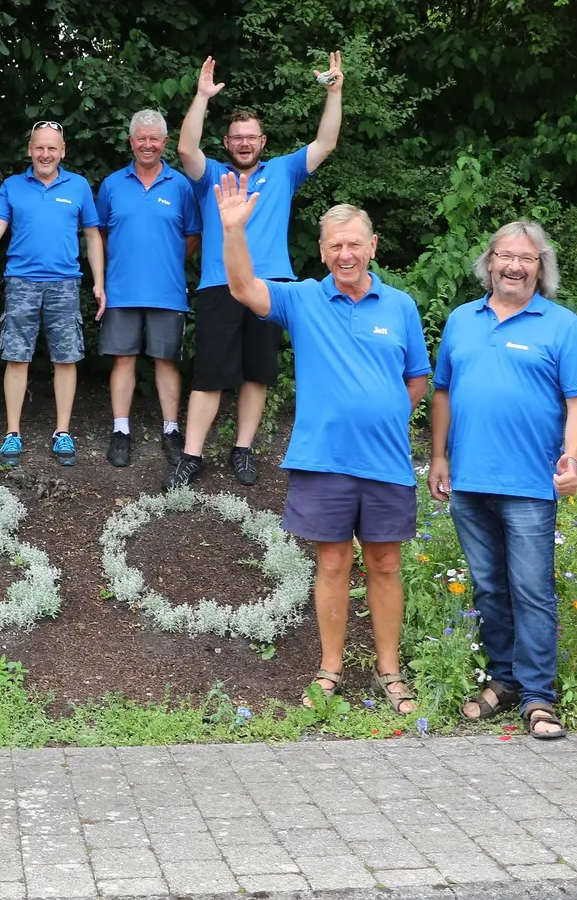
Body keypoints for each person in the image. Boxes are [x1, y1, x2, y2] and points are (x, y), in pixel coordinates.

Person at [213, 175, 429, 715]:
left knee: (384, 563)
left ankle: (389, 671)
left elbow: (417, 379)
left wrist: (383, 415)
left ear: (372, 246)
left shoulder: (400, 306)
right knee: (332, 564)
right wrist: (234, 229)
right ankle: (330, 670)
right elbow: (243, 287)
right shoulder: (304, 299)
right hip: (322, 459)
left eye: (354, 243)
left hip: (386, 462)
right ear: (322, 251)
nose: (345, 253)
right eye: (334, 245)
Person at [429, 222, 577, 740]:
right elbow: (443, 392)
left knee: (531, 589)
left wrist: (571, 458)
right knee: (488, 587)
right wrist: (438, 455)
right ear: (489, 261)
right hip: (470, 481)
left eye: (527, 258)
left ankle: (539, 697)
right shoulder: (461, 320)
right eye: (505, 256)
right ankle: (504, 682)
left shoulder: (562, 325)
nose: (514, 266)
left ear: (540, 268)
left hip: (530, 483)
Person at [165, 52, 346, 490]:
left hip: (271, 288)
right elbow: (187, 148)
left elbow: (325, 144)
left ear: (263, 142)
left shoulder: (284, 171)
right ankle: (191, 456)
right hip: (219, 285)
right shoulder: (210, 176)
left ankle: (242, 449)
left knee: (258, 372)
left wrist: (335, 93)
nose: (244, 143)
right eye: (237, 138)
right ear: (227, 143)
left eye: (251, 137)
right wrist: (202, 96)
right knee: (209, 373)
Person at [0, 121, 105, 467]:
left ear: (63, 151)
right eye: (39, 147)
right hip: (20, 282)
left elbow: (92, 236)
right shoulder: (13, 186)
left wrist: (99, 281)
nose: (45, 154)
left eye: (52, 148)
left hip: (65, 283)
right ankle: (12, 434)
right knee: (17, 358)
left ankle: (62, 432)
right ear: (29, 150)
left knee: (66, 358)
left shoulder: (77, 186)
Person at [95, 109, 202, 468]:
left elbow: (191, 236)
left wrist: (167, 261)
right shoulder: (111, 185)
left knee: (166, 361)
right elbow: (103, 235)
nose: (147, 144)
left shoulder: (181, 185)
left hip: (167, 290)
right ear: (130, 141)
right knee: (123, 359)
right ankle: (121, 430)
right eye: (141, 137)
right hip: (121, 289)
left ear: (165, 143)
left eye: (154, 138)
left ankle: (171, 430)